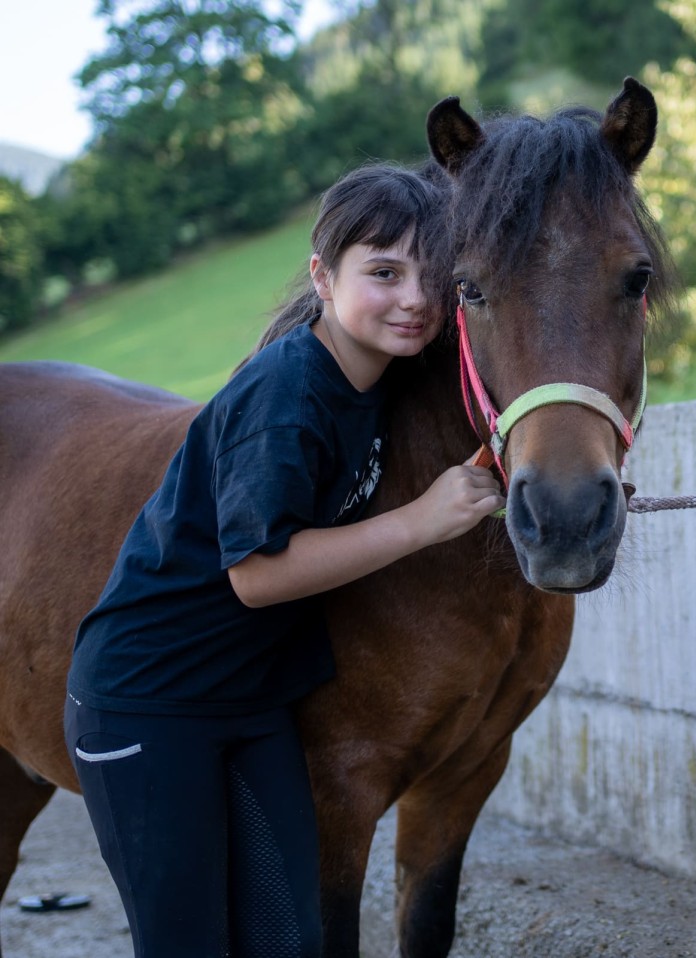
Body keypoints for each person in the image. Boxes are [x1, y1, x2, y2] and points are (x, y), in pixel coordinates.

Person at [64, 163, 505, 958]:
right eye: (382, 272)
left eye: (431, 277)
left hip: (254, 702)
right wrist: (422, 521)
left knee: (288, 939)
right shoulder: (288, 391)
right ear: (320, 276)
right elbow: (256, 576)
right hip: (150, 701)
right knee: (190, 945)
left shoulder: (379, 378)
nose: (413, 298)